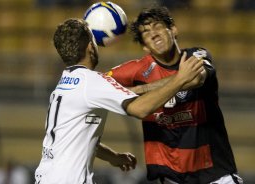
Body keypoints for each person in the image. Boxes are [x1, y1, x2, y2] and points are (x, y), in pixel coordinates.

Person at [34, 18, 203, 184]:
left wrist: (113, 157)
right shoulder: (92, 82)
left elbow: (73, 140)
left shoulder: (65, 82)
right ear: (91, 47)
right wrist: (180, 80)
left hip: (46, 176)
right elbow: (140, 109)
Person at [107, 6, 243, 184]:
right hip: (171, 177)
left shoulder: (196, 55)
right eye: (146, 32)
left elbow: (195, 78)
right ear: (144, 47)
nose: (153, 34)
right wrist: (138, 90)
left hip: (216, 175)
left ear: (173, 29)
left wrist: (140, 90)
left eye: (157, 26)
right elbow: (98, 88)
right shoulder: (136, 71)